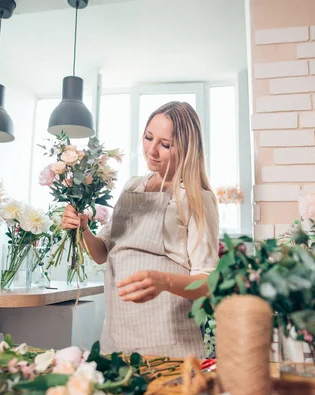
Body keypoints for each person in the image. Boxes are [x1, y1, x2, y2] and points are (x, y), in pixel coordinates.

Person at [61, 101, 219, 358]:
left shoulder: (197, 199)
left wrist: (164, 281)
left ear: (188, 148)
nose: (152, 151)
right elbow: (103, 252)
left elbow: (208, 282)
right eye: (148, 138)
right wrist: (82, 229)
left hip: (169, 341)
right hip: (117, 336)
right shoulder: (132, 187)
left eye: (165, 144)